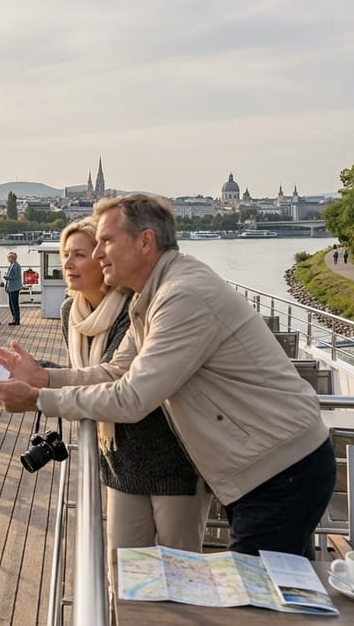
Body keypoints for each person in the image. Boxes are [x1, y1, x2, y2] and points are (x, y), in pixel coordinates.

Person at [0, 194, 335, 558]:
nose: (99, 253)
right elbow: (116, 370)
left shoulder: (182, 297)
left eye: (106, 241)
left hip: (280, 467)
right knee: (270, 594)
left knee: (264, 602)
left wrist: (38, 400)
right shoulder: (151, 295)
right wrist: (44, 378)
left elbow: (132, 397)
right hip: (261, 464)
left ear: (145, 241)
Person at [57, 217, 210, 578]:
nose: (68, 263)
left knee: (181, 573)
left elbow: (120, 381)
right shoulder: (71, 313)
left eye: (79, 254)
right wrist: (33, 372)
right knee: (125, 575)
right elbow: (85, 375)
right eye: (66, 254)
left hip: (173, 458)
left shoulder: (137, 308)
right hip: (119, 459)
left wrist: (39, 391)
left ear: (103, 256)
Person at [3, 251, 23, 325]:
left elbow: (16, 276)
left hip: (14, 287)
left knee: (14, 304)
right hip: (11, 287)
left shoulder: (16, 266)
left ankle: (16, 319)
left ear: (13, 258)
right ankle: (14, 318)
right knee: (11, 304)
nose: (8, 259)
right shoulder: (12, 265)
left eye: (9, 258)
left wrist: (8, 277)